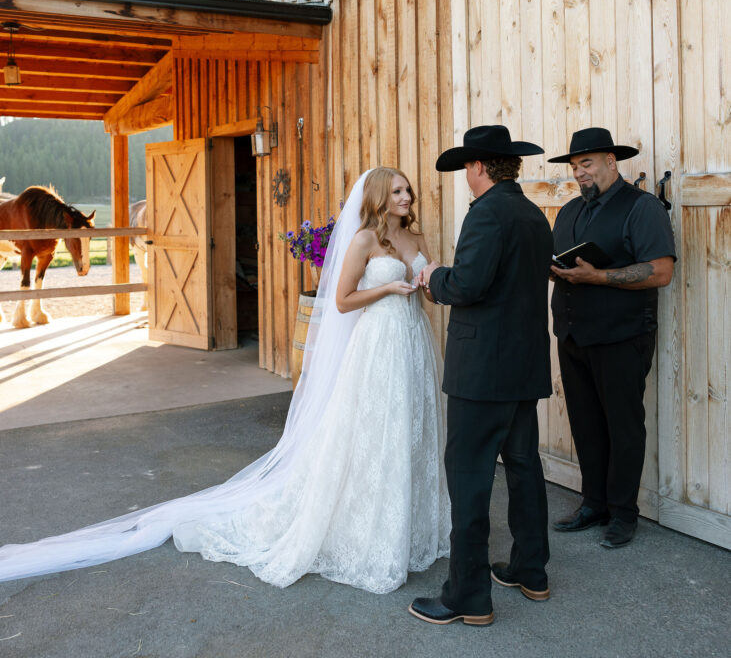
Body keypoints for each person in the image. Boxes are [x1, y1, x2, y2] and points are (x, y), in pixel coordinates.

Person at [0, 168, 449, 593]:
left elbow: (425, 289)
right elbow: (344, 300)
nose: (406, 197)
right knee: (373, 437)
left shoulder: (414, 236)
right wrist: (388, 288)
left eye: (407, 190)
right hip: (375, 347)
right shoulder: (365, 239)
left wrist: (427, 284)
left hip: (411, 341)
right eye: (397, 191)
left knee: (409, 433)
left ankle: (405, 528)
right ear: (377, 198)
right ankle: (366, 529)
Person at [408, 125, 554, 628]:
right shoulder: (533, 214)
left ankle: (467, 595)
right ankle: (530, 570)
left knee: (468, 478)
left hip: (482, 373)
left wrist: (434, 278)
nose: (465, 176)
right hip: (524, 366)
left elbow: (467, 285)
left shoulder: (487, 214)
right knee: (523, 467)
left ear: (478, 167)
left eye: (467, 168)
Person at [548, 128, 675, 549]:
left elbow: (660, 271)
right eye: (574, 167)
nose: (580, 173)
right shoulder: (568, 211)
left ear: (611, 162)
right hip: (573, 335)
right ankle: (594, 503)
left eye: (587, 164)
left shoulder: (643, 207)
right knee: (585, 424)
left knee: (623, 427)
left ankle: (623, 513)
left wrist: (597, 276)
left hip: (622, 336)